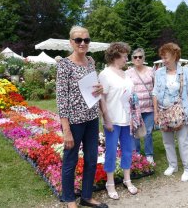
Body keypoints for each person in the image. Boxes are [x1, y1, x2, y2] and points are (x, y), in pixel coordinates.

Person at [56, 26, 107, 208]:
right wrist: (66, 129)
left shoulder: (91, 61)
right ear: (71, 42)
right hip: (74, 122)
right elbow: (61, 99)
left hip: (92, 119)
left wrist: (100, 89)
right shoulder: (64, 65)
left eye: (86, 40)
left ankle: (86, 196)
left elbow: (93, 87)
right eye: (78, 40)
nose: (83, 43)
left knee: (91, 159)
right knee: (71, 160)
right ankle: (69, 199)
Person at [99, 42, 138, 200]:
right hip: (113, 120)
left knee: (128, 150)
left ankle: (127, 180)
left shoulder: (126, 74)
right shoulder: (105, 74)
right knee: (111, 152)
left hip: (128, 119)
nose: (126, 58)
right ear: (115, 56)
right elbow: (102, 98)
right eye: (124, 55)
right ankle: (110, 183)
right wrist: (107, 119)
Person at [152, 42, 188, 181]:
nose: (164, 60)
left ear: (175, 55)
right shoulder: (159, 72)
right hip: (163, 111)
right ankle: (173, 165)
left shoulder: (185, 71)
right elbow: (155, 92)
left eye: (166, 57)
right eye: (162, 57)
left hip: (181, 112)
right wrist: (156, 113)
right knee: (167, 141)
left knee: (183, 140)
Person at [126, 48, 155, 163]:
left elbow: (156, 87)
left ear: (144, 58)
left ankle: (149, 154)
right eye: (135, 57)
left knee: (148, 132)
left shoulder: (151, 71)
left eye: (140, 57)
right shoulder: (128, 73)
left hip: (149, 107)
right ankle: (136, 153)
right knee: (135, 132)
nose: (138, 59)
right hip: (135, 109)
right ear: (132, 59)